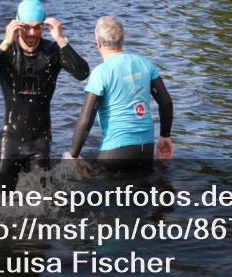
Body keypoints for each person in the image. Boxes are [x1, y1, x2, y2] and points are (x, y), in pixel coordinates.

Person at [0, 0, 90, 191]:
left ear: (44, 26)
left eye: (37, 27)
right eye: (26, 27)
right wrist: (6, 42)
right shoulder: (4, 50)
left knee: (40, 205)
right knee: (2, 202)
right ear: (17, 25)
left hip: (39, 141)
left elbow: (82, 73)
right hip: (9, 138)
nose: (32, 33)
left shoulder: (53, 52)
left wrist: (61, 39)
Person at [65, 16, 174, 170]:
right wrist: (165, 135)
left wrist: (73, 155)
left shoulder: (101, 72)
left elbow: (86, 119)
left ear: (97, 42)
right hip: (146, 149)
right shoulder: (145, 63)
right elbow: (166, 102)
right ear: (122, 39)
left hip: (116, 150)